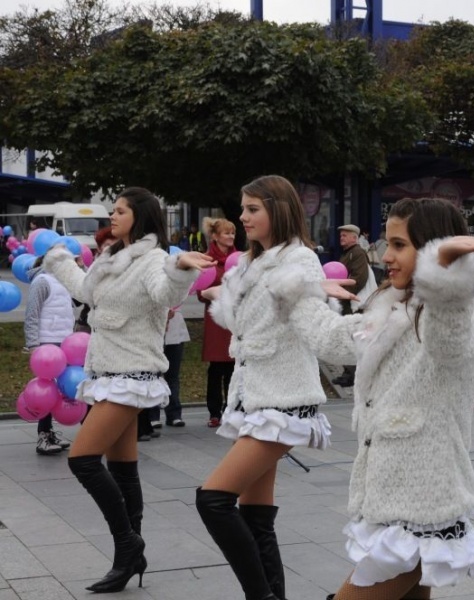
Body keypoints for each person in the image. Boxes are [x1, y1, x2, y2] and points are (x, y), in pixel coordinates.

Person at [286, 196, 474, 600]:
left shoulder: (460, 311)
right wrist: (300, 298)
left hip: (422, 501)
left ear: (431, 248)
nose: (386, 256)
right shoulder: (392, 305)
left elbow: (448, 344)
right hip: (391, 495)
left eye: (399, 245)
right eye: (387, 243)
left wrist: (447, 274)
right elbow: (335, 339)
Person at [42, 187, 211, 594]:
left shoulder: (154, 259)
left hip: (131, 374)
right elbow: (87, 290)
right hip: (107, 371)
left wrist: (181, 269)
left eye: (119, 211)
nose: (112, 217)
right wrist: (59, 260)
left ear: (141, 216)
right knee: (123, 469)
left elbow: (165, 293)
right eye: (112, 211)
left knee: (82, 460)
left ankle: (127, 542)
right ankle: (128, 558)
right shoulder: (114, 256)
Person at [195, 175, 336, 600]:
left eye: (253, 208)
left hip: (284, 399)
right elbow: (244, 319)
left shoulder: (300, 261)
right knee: (255, 516)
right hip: (254, 396)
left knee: (213, 500)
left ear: (279, 208)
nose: (243, 217)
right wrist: (220, 294)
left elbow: (313, 325)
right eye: (243, 209)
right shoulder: (251, 263)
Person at [24, 255, 76, 456]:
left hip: (65, 342)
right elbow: (32, 314)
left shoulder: (63, 281)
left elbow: (75, 304)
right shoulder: (42, 281)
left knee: (59, 390)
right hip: (47, 344)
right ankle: (43, 436)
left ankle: (49, 432)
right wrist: (33, 346)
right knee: (46, 391)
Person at [199, 217, 237, 428]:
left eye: (232, 232)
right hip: (216, 319)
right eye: (226, 233)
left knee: (233, 366)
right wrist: (218, 292)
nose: (231, 236)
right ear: (215, 236)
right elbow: (200, 292)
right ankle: (215, 411)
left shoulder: (241, 258)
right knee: (216, 368)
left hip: (235, 318)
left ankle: (231, 409)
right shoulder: (206, 259)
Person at [332, 223, 370, 388]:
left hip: (352, 304)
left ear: (355, 238)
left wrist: (342, 294)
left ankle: (352, 375)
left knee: (352, 338)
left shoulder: (357, 253)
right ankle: (348, 373)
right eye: (341, 235)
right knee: (347, 338)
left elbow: (358, 278)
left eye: (345, 235)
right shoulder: (349, 253)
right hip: (347, 303)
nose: (342, 237)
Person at [147, 307, 189, 428]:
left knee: (173, 375)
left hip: (175, 332)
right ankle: (153, 414)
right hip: (154, 331)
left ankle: (174, 414)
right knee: (153, 375)